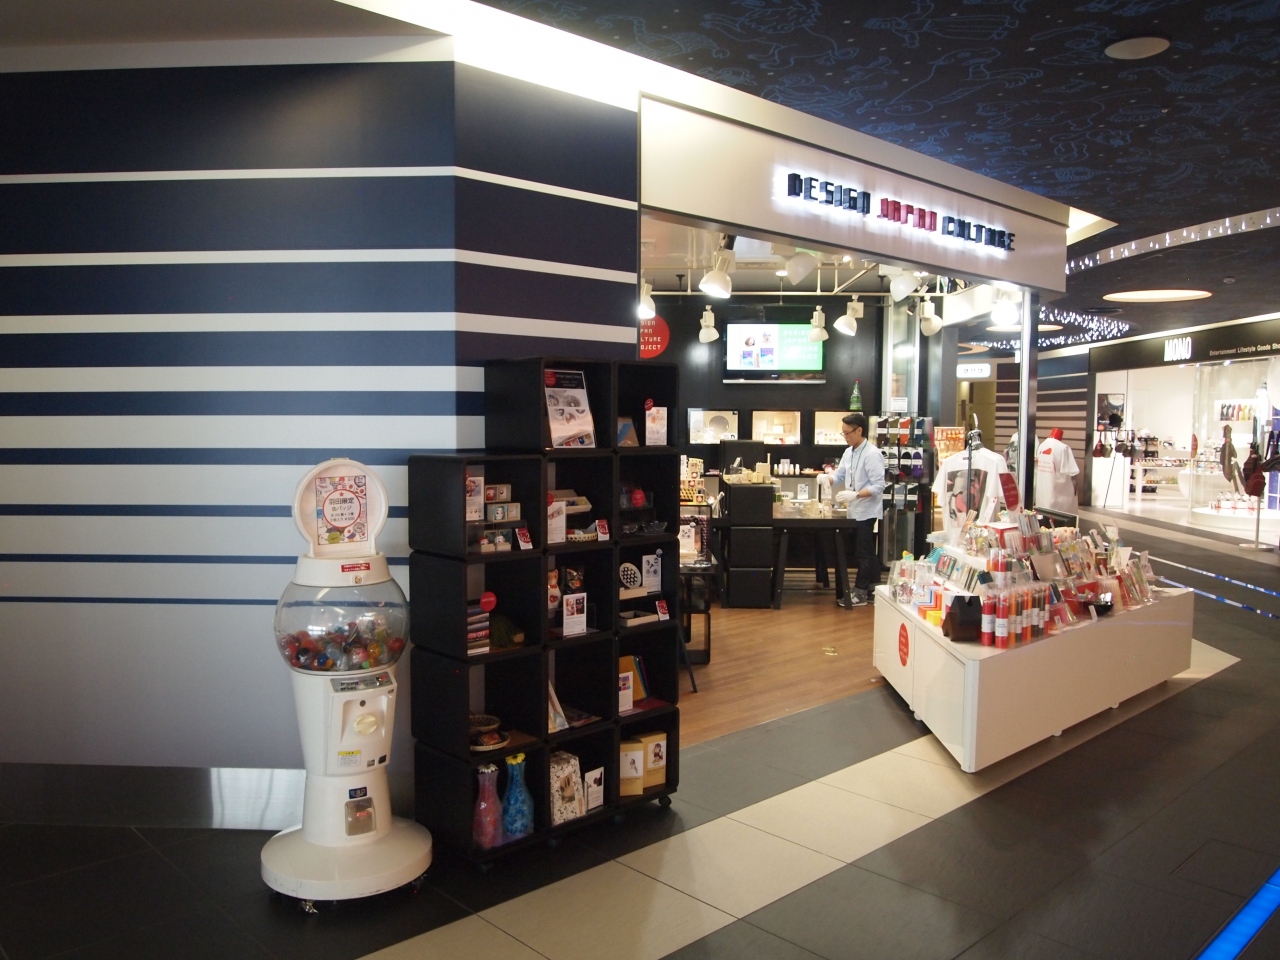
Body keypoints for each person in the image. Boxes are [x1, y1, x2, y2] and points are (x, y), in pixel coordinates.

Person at [831, 412, 886, 607]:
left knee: (863, 553)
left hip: (867, 511)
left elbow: (879, 486)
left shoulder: (872, 454)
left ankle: (860, 593)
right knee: (867, 551)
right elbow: (839, 476)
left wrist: (855, 495)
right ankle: (874, 589)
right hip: (853, 511)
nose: (845, 437)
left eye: (847, 433)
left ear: (859, 430)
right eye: (843, 433)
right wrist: (827, 478)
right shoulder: (849, 452)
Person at [1034, 428, 1080, 514]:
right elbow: (1072, 471)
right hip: (1059, 491)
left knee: (1044, 508)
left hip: (1043, 488)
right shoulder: (1064, 448)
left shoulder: (1041, 446)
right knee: (1061, 511)